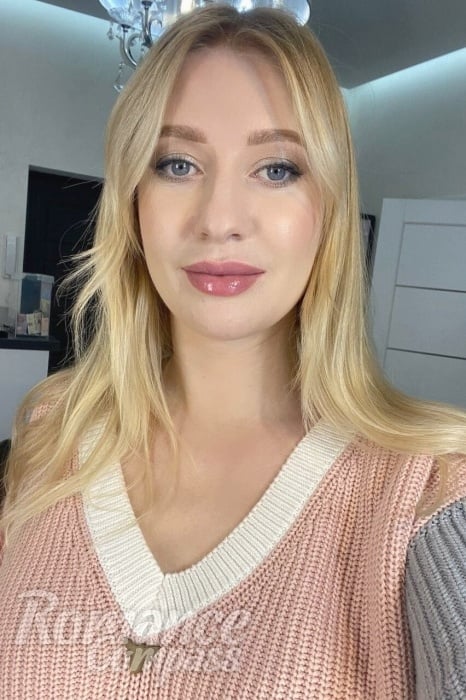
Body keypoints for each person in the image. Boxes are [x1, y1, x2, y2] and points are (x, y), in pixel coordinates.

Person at [0, 4, 465, 698]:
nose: (219, 220)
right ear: (133, 202)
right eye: (177, 163)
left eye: (277, 168)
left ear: (330, 207)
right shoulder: (52, 432)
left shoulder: (430, 488)